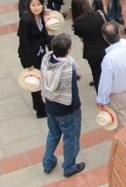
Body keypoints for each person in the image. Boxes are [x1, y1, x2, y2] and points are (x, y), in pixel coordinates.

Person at [41, 34, 85, 178]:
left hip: (50, 106)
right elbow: (73, 93)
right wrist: (77, 107)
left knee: (53, 134)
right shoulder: (67, 69)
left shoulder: (46, 59)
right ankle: (69, 167)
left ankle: (48, 162)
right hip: (67, 111)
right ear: (68, 50)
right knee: (70, 139)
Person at [96, 21, 126, 129]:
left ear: (105, 38)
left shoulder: (109, 59)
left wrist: (101, 100)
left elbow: (105, 83)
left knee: (122, 128)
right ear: (119, 32)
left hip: (118, 97)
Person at [18, 0, 53, 118]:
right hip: (30, 54)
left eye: (39, 4)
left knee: (42, 76)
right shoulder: (25, 20)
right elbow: (23, 42)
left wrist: (50, 46)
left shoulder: (40, 17)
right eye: (33, 5)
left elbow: (44, 32)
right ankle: (39, 108)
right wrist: (28, 62)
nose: (36, 7)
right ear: (29, 6)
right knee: (35, 81)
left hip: (40, 51)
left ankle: (37, 103)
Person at [71, 0, 107, 92]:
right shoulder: (99, 14)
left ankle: (101, 97)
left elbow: (81, 36)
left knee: (97, 75)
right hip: (105, 48)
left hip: (91, 52)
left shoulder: (78, 24)